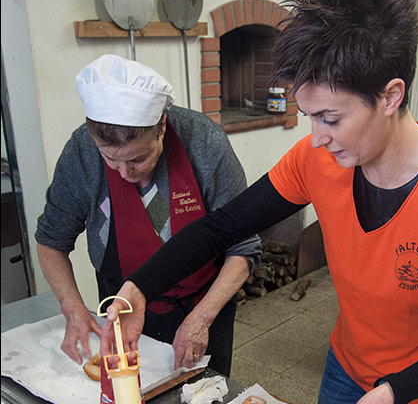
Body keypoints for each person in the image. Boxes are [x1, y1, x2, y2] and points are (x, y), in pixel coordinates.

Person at [101, 0, 418, 404]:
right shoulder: (318, 160)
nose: (316, 137)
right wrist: (137, 290)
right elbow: (222, 228)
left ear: (391, 95)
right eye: (307, 116)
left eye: (330, 117)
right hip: (346, 371)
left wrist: (393, 391)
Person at [35, 54, 261, 376]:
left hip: (202, 303)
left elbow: (243, 246)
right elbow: (50, 241)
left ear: (161, 127)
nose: (125, 173)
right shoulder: (81, 153)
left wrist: (203, 318)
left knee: (201, 400)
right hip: (122, 306)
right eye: (111, 159)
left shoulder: (205, 143)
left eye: (138, 159)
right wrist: (72, 308)